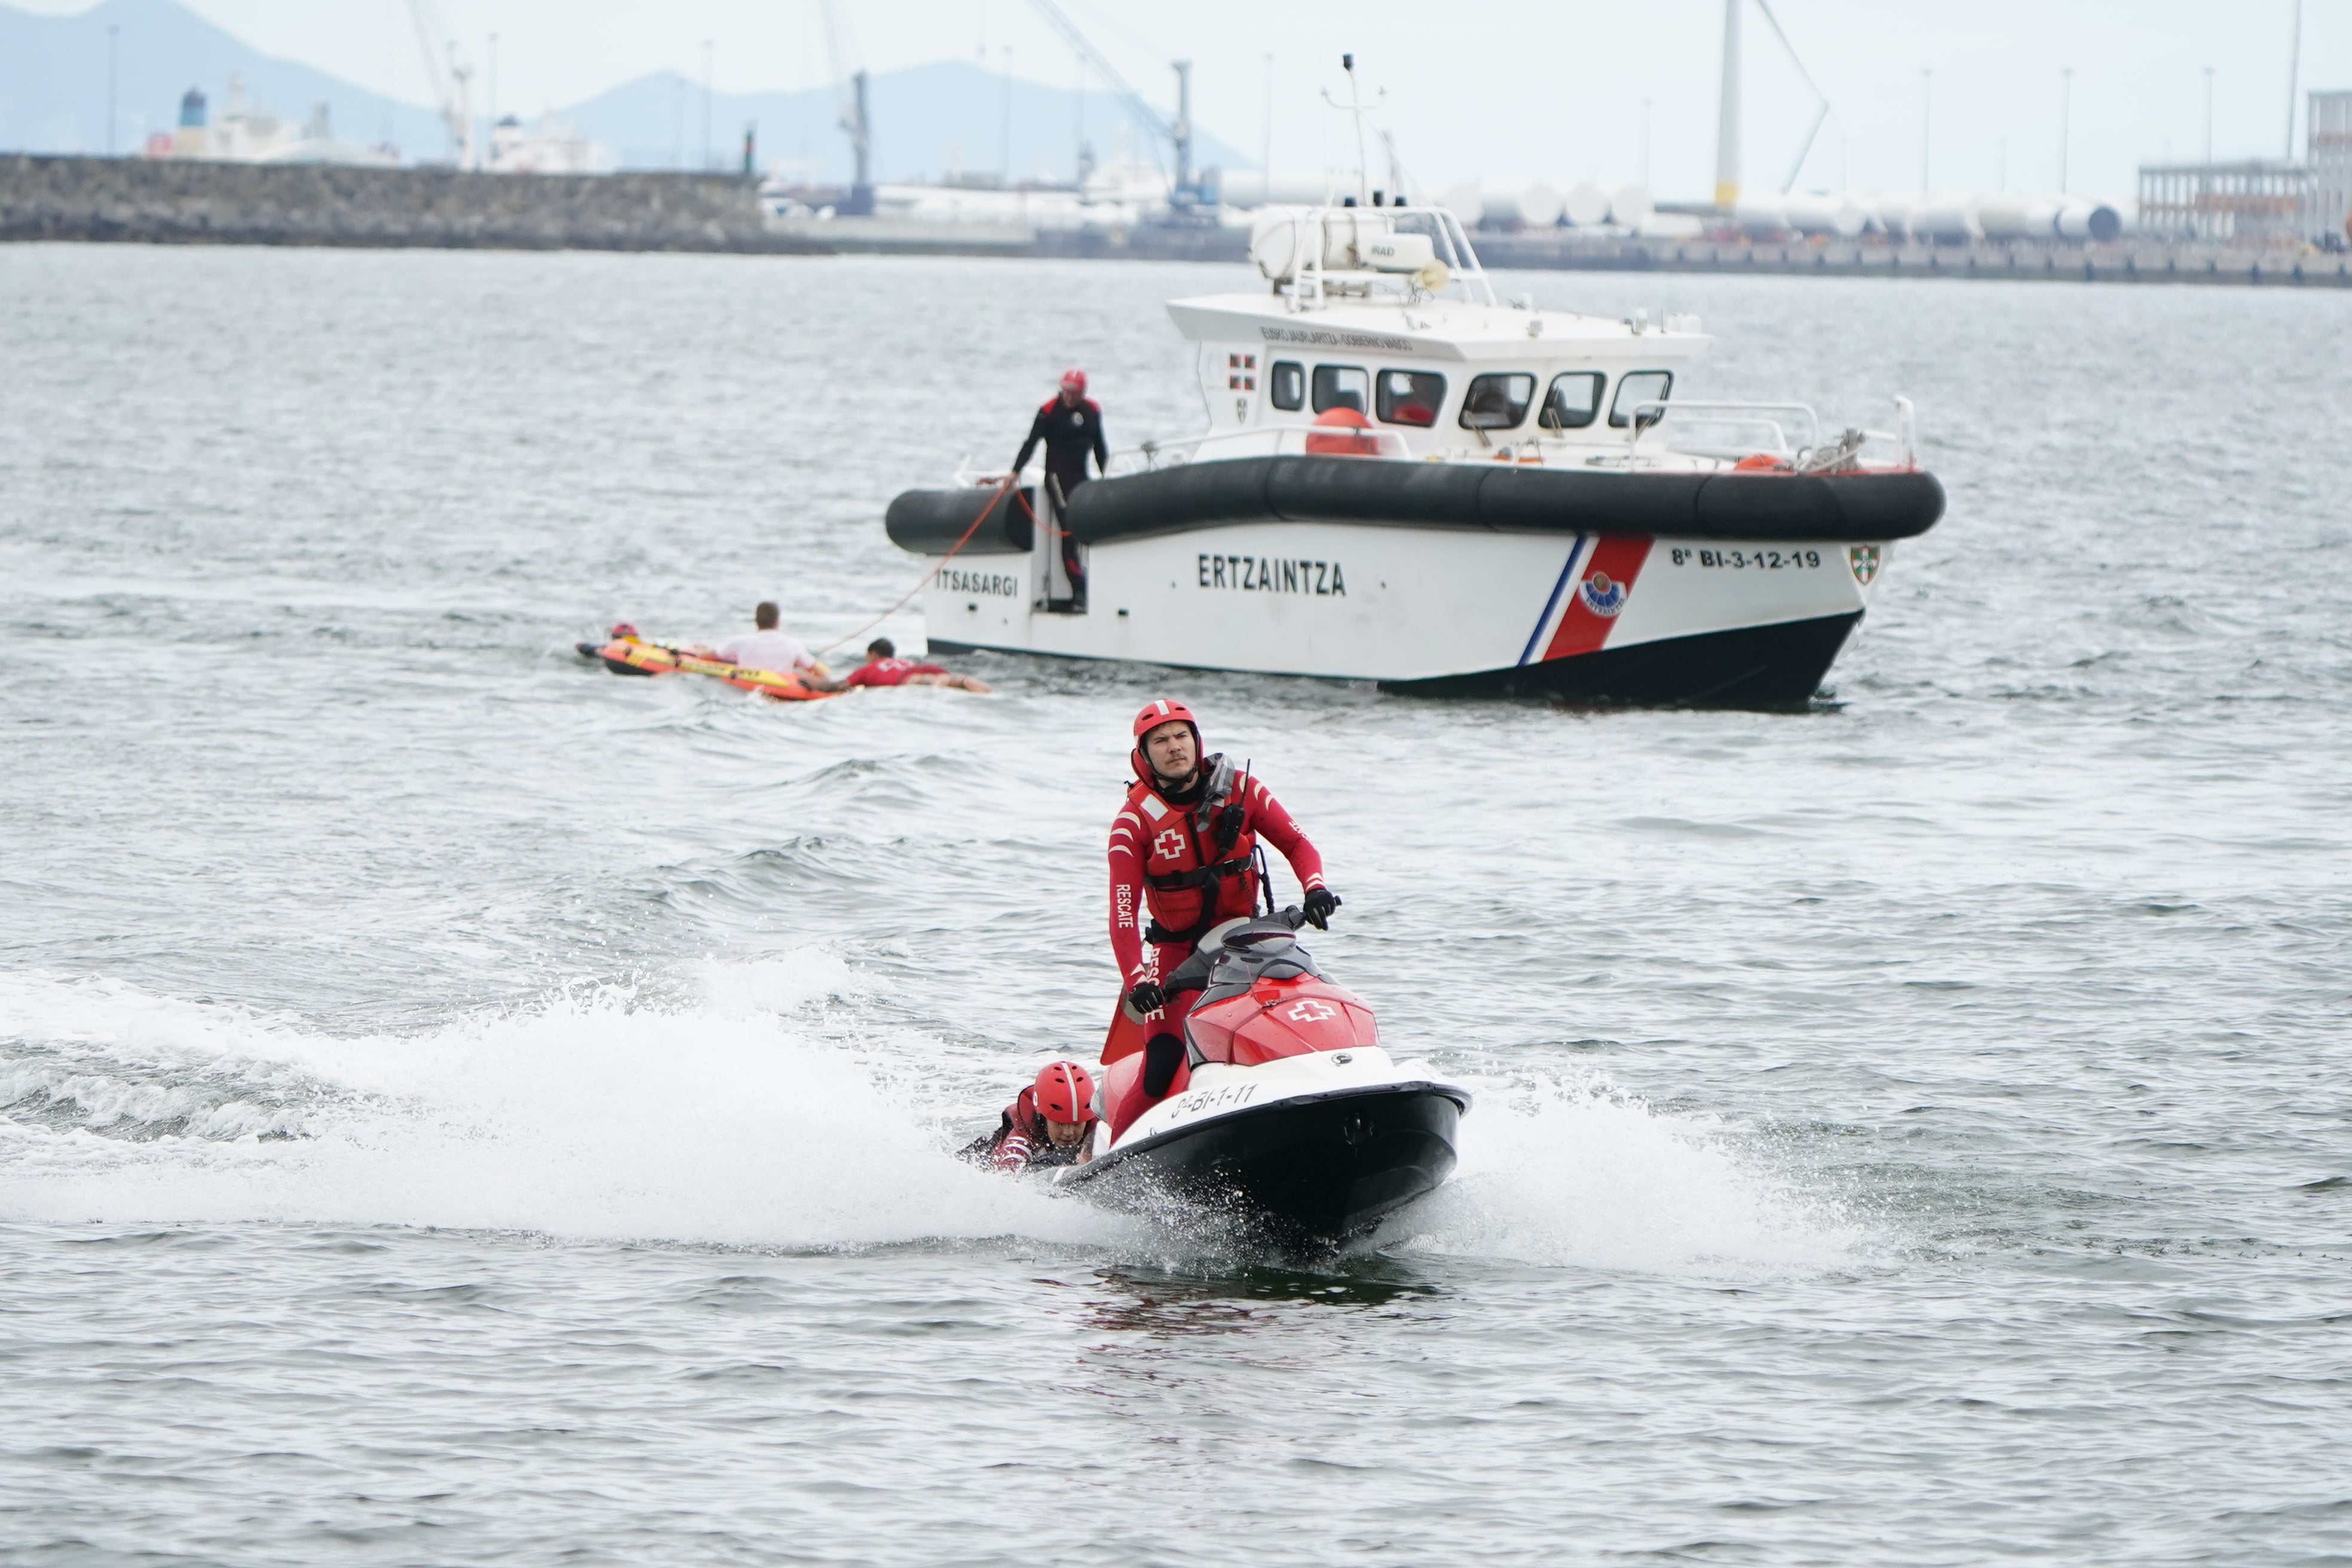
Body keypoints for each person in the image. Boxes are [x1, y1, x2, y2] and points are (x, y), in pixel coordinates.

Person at [1107, 699, 1339, 1102]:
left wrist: (1315, 888)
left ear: (1197, 742)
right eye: (1161, 741)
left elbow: (1298, 845)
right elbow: (1123, 915)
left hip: (1247, 942)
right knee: (1161, 1064)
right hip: (1176, 951)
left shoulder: (1243, 789)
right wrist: (1137, 981)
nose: (1174, 746)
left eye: (1182, 736)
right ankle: (1117, 1162)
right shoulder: (1132, 826)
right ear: (1143, 756)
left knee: (1298, 1016)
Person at [1011, 369, 1108, 605]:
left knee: (1085, 528)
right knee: (1069, 527)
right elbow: (1030, 444)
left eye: (1074, 392)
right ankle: (1078, 590)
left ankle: (1092, 584)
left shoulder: (1092, 411)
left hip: (1080, 478)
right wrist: (1015, 471)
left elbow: (1100, 448)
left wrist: (1107, 478)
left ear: (1083, 392)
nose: (1069, 396)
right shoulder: (1048, 412)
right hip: (1056, 477)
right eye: (1066, 390)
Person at [962, 1061, 1099, 1172]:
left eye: (1077, 1125)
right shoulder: (1021, 1142)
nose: (1068, 1133)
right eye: (1060, 1124)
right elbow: (1007, 1183)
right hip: (981, 1158)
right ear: (1043, 1117)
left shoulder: (1098, 1128)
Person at [842, 638, 992, 693]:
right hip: (921, 668)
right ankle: (976, 685)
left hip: (909, 677)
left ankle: (938, 686)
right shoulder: (903, 661)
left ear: (873, 655)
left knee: (926, 681)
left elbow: (838, 685)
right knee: (951, 679)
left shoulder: (870, 668)